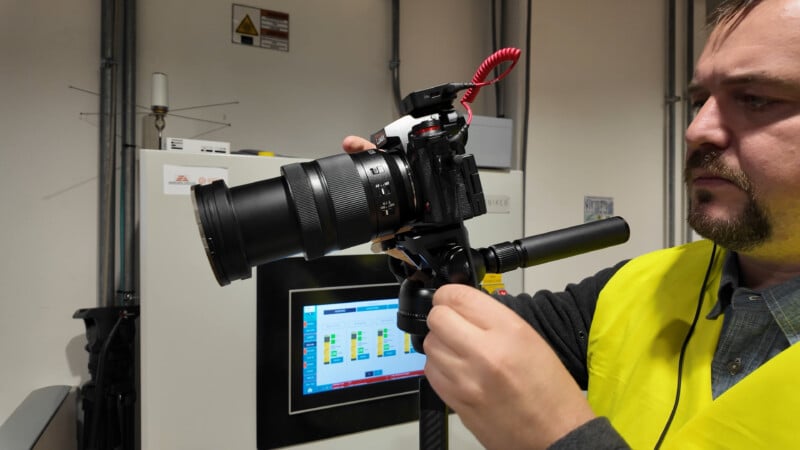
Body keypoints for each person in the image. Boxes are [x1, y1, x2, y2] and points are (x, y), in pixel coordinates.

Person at [344, 0, 800, 448]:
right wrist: (420, 240)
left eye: (755, 98)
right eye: (700, 100)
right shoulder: (644, 286)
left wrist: (560, 437)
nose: (697, 129)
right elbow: (470, 329)